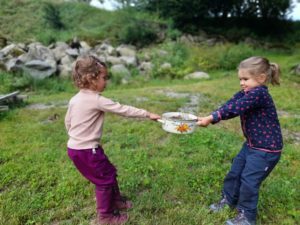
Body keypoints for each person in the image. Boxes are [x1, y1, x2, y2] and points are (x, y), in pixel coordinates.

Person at [65, 55, 161, 225]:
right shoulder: (96, 99)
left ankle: (115, 200)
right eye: (103, 77)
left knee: (109, 172)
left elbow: (68, 121)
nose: (106, 81)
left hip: (75, 148)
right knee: (103, 181)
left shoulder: (75, 99)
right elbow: (123, 109)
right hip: (88, 150)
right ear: (91, 79)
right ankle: (105, 217)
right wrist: (147, 114)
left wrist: (75, 137)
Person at [197, 56, 283, 225]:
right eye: (240, 79)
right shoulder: (247, 92)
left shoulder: (259, 94)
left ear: (261, 78)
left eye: (245, 79)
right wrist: (210, 117)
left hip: (266, 150)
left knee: (249, 181)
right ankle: (228, 201)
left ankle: (247, 216)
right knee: (235, 173)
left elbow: (236, 108)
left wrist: (213, 117)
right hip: (252, 145)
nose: (241, 83)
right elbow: (231, 103)